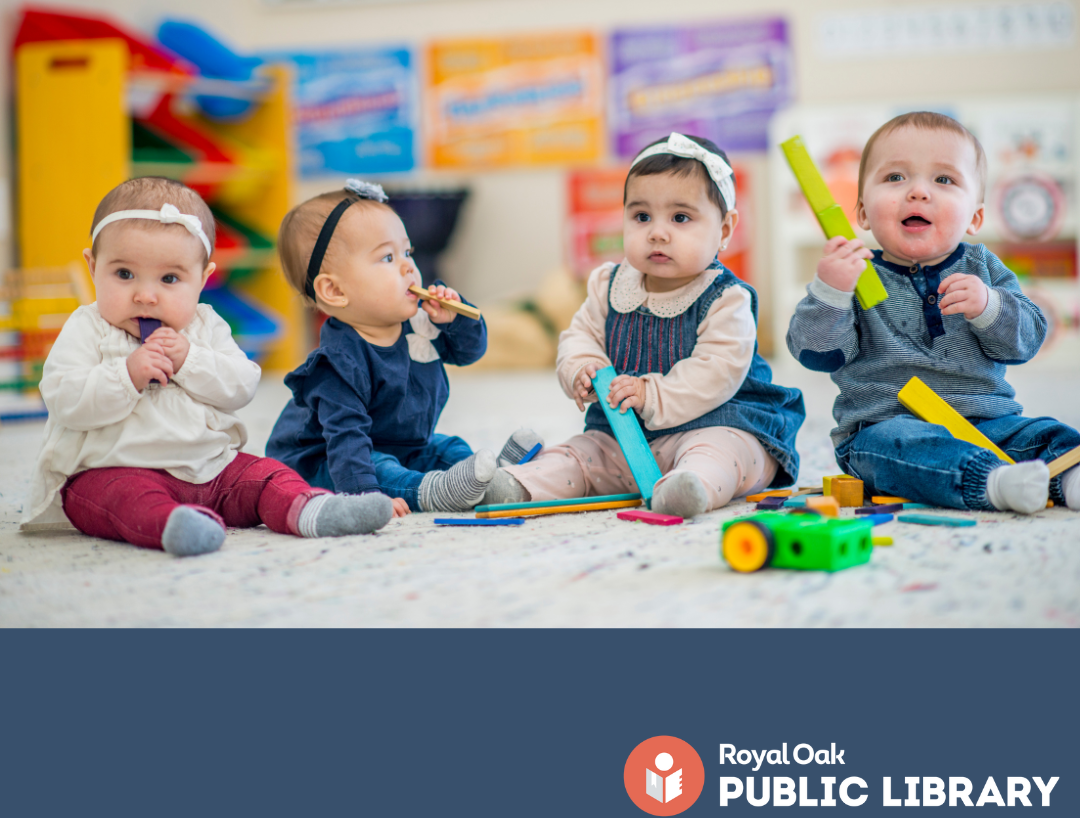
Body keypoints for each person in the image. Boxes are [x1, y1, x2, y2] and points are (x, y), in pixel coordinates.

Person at [26, 177, 393, 557]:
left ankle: (312, 510)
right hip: (115, 469)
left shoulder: (205, 325)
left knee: (266, 475)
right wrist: (127, 376)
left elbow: (241, 386)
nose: (145, 295)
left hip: (212, 468)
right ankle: (176, 525)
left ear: (202, 279)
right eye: (124, 274)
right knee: (119, 499)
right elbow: (63, 399)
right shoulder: (87, 327)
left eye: (170, 278)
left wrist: (190, 360)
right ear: (92, 265)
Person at [483, 132, 805, 518]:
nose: (657, 231)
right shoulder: (609, 285)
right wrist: (580, 368)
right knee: (581, 455)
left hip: (717, 424)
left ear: (724, 229)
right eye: (641, 216)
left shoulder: (726, 298)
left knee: (728, 454)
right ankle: (524, 484)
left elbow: (717, 372)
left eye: (680, 217)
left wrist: (650, 394)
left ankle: (690, 487)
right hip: (622, 438)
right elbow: (579, 336)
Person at [787, 110, 1080, 513]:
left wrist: (989, 306)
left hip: (986, 422)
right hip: (887, 429)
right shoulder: (853, 275)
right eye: (895, 177)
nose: (918, 192)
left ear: (975, 217)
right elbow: (816, 354)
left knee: (1046, 433)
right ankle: (992, 483)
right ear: (862, 214)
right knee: (890, 448)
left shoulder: (983, 269)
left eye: (943, 180)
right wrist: (830, 291)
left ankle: (1068, 473)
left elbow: (1027, 341)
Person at [267, 180, 541, 513]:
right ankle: (433, 492)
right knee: (379, 467)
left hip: (406, 445)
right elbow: (346, 439)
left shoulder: (420, 322)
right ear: (335, 291)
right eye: (387, 257)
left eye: (407, 252)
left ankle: (495, 479)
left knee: (449, 448)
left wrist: (454, 321)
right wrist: (365, 498)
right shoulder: (336, 365)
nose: (408, 266)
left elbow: (469, 352)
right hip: (330, 461)